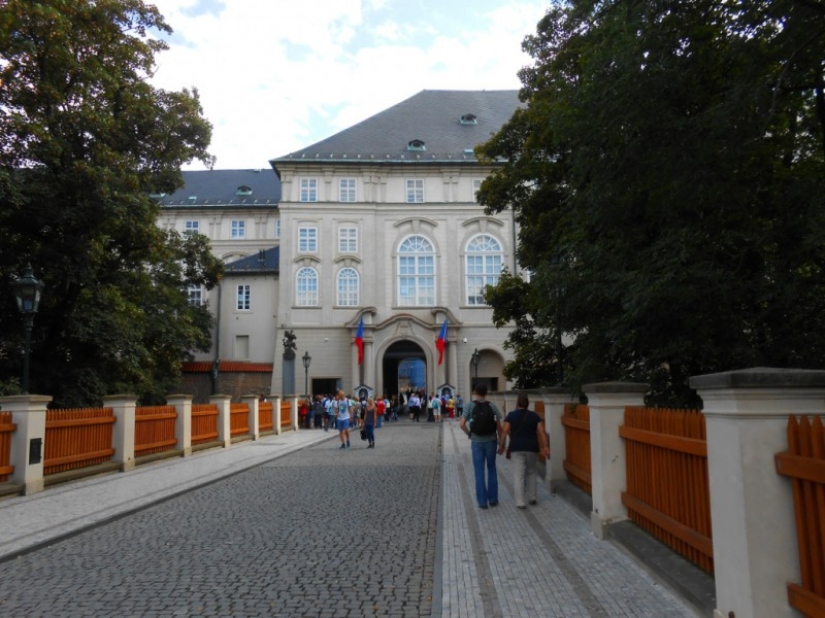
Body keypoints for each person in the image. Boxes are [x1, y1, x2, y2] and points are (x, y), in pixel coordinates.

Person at [498, 392, 550, 509]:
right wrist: (546, 446)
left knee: (519, 475)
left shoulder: (511, 416)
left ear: (517, 403)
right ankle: (532, 497)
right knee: (532, 472)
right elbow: (541, 432)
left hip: (516, 448)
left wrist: (501, 446)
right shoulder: (534, 416)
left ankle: (520, 502)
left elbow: (505, 432)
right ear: (528, 404)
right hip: (532, 447)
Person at [460, 384, 503, 509]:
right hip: (491, 440)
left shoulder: (469, 406)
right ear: (486, 393)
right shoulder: (492, 405)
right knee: (492, 468)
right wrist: (501, 442)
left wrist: (469, 434)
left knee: (479, 471)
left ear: (475, 392)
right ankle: (493, 499)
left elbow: (461, 424)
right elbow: (499, 426)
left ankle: (482, 502)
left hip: (477, 442)